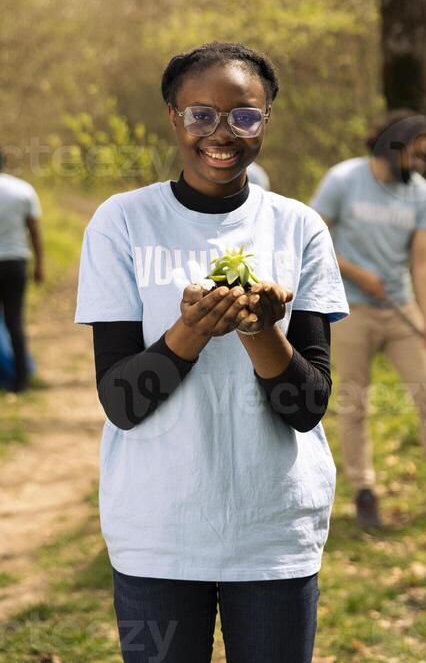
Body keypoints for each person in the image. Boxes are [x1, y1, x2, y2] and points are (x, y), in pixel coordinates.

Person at [74, 41, 348, 663]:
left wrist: (259, 330)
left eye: (244, 115)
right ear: (174, 116)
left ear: (267, 118)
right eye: (201, 114)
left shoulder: (299, 227)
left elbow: (306, 407)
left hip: (275, 528)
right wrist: (190, 331)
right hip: (157, 529)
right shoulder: (122, 222)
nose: (222, 133)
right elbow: (122, 401)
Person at [310, 109, 426, 527]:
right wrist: (355, 272)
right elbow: (311, 239)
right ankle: (364, 491)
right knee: (354, 401)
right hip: (348, 308)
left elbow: (424, 260)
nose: (421, 164)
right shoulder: (343, 180)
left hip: (400, 307)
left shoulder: (421, 193)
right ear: (391, 147)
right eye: (415, 154)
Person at [0, 148, 44, 393]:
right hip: (16, 261)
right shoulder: (23, 190)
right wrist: (39, 265)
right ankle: (21, 380)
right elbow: (35, 232)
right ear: (5, 162)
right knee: (14, 321)